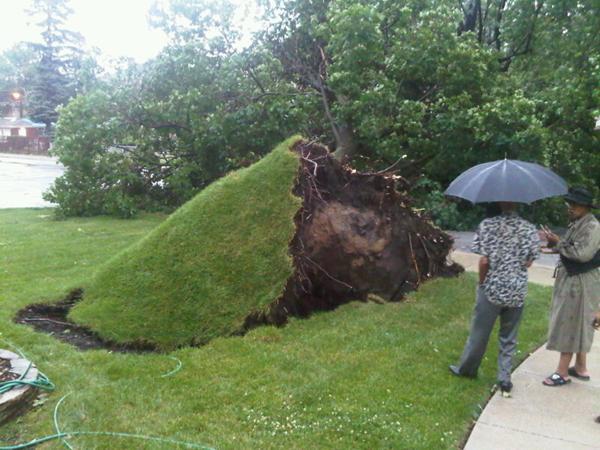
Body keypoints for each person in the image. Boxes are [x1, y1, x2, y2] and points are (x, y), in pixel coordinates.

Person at [450, 202, 540, 396]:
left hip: (491, 288)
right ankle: (505, 378)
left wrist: (482, 282)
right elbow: (529, 262)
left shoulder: (487, 226)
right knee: (509, 336)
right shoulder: (529, 229)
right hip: (516, 290)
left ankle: (466, 369)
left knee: (480, 332)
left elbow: (484, 260)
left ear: (500, 202)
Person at [540, 187, 600, 387]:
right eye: (570, 203)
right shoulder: (578, 223)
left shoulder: (592, 227)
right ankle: (580, 367)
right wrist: (555, 244)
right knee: (580, 321)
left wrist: (560, 243)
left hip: (580, 281)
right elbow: (570, 248)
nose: (570, 207)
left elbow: (582, 255)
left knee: (571, 321)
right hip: (574, 278)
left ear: (585, 207)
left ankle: (562, 372)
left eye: (574, 204)